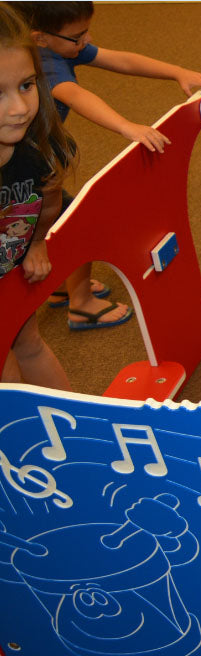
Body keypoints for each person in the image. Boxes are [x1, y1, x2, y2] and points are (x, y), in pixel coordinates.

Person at [10, 1, 201, 331]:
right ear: (40, 38)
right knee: (78, 225)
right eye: (77, 36)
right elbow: (77, 97)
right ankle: (81, 305)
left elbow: (120, 59)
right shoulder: (45, 67)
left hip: (35, 161)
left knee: (59, 223)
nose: (86, 41)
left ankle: (62, 284)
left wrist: (176, 71)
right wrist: (126, 126)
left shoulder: (57, 47)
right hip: (27, 169)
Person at [0, 4, 74, 389]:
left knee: (28, 343)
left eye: (26, 86)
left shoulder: (39, 147)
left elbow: (48, 197)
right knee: (5, 372)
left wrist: (37, 243)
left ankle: (78, 440)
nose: (19, 109)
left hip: (8, 270)